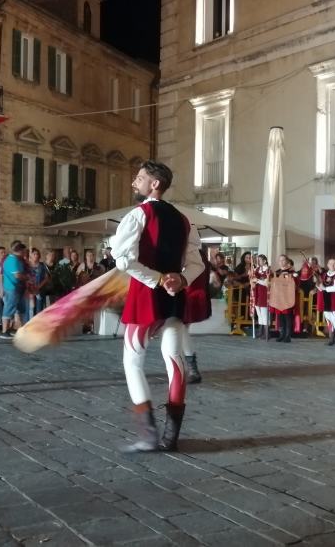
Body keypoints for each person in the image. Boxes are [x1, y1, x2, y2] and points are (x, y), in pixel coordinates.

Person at [110, 161, 204, 452]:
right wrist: (180, 278)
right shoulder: (185, 220)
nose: (133, 182)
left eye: (139, 178)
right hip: (174, 296)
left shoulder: (139, 214)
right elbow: (197, 264)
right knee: (174, 361)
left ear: (154, 184)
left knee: (132, 362)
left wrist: (157, 278)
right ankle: (170, 437)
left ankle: (149, 434)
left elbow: (122, 258)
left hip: (146, 295)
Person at [182, 248, 212, 384]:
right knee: (180, 332)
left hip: (185, 296)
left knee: (180, 331)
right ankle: (190, 368)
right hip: (186, 295)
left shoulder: (192, 252)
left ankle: (190, 368)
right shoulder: (198, 253)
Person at [0, 242, 28, 340]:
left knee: (20, 308)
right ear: (19, 251)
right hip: (12, 288)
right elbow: (17, 275)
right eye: (24, 251)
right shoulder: (12, 260)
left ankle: (15, 328)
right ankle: (4, 331)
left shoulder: (18, 260)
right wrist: (27, 278)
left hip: (18, 288)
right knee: (9, 308)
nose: (25, 253)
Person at [317, 258, 335, 347]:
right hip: (325, 299)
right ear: (327, 265)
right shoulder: (325, 275)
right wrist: (319, 286)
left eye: (334, 264)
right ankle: (331, 338)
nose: (332, 265)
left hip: (333, 299)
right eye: (330, 263)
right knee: (328, 319)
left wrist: (325, 289)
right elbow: (320, 285)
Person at [271, 255, 298, 343]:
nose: (281, 262)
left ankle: (288, 335)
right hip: (279, 297)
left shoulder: (292, 272)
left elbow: (296, 283)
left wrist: (288, 277)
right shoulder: (277, 272)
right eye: (280, 260)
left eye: (283, 260)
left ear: (287, 261)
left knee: (287, 316)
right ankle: (281, 334)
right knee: (280, 317)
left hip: (287, 297)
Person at [251, 254, 271, 340]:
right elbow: (252, 279)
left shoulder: (269, 270)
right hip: (257, 293)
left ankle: (266, 333)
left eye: (260, 260)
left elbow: (267, 283)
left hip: (264, 294)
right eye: (257, 260)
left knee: (264, 313)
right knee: (259, 314)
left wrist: (258, 280)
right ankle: (261, 331)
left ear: (265, 261)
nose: (258, 262)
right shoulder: (257, 270)